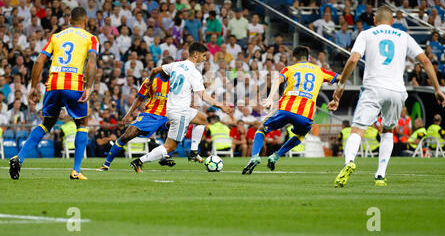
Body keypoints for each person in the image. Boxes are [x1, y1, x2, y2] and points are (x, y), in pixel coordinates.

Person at [328, 6, 445, 187]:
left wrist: (341, 84)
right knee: (388, 130)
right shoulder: (404, 36)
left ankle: (349, 162)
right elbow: (425, 61)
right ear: (393, 21)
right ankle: (380, 175)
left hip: (373, 88)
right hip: (397, 91)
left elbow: (353, 60)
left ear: (375, 21)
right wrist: (437, 88)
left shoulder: (367, 34)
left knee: (357, 130)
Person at [9, 7, 99, 180]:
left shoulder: (56, 36)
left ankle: (19, 157)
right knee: (82, 123)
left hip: (53, 84)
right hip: (73, 85)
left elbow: (39, 60)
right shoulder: (90, 38)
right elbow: (92, 62)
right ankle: (76, 170)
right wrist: (88, 87)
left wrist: (34, 87)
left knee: (47, 123)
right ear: (85, 21)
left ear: (69, 21)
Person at [129, 42, 232, 172]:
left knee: (202, 119)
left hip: (173, 108)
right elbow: (203, 96)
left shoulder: (176, 65)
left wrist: (150, 80)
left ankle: (194, 152)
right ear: (196, 54)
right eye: (204, 55)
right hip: (180, 112)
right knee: (170, 147)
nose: (205, 59)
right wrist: (220, 106)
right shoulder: (194, 72)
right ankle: (139, 161)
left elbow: (155, 70)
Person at [242, 46, 339, 174]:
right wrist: (336, 97)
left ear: (294, 58)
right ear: (308, 58)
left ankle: (254, 157)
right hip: (305, 113)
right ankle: (275, 156)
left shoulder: (290, 68)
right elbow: (341, 78)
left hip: (285, 108)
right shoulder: (319, 70)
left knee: (262, 129)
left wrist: (270, 97)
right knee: (300, 135)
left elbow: (277, 79)